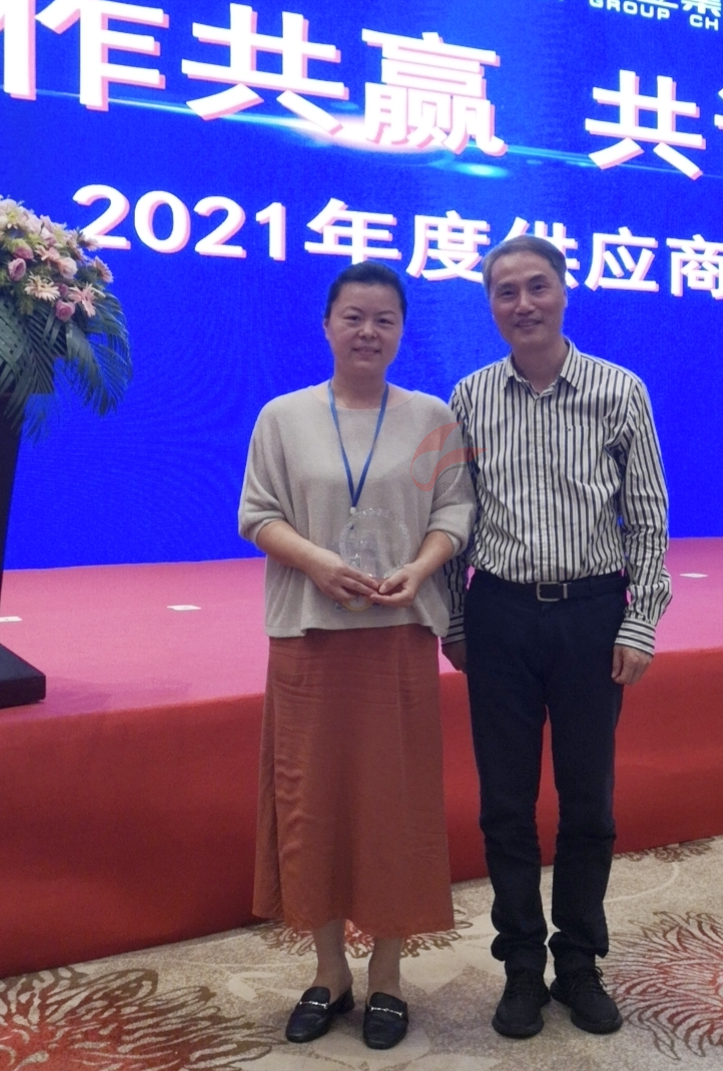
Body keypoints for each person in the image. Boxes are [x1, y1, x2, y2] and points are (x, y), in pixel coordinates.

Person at [239, 261, 475, 1051]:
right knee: (314, 804)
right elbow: (256, 513)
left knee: (392, 807)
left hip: (396, 635)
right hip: (308, 636)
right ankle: (328, 972)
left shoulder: (431, 417)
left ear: (400, 331)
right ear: (327, 325)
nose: (368, 332)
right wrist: (315, 561)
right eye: (353, 317)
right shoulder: (282, 416)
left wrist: (422, 566)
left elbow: (455, 512)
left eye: (384, 319)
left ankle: (388, 976)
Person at [442, 235, 671, 1041]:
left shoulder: (618, 390)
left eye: (536, 286)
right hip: (499, 617)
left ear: (565, 290)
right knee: (504, 807)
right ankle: (520, 967)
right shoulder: (468, 397)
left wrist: (639, 620)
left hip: (590, 617)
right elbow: (452, 520)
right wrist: (456, 620)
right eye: (505, 291)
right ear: (490, 305)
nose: (523, 304)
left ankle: (577, 962)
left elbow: (647, 520)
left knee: (588, 803)